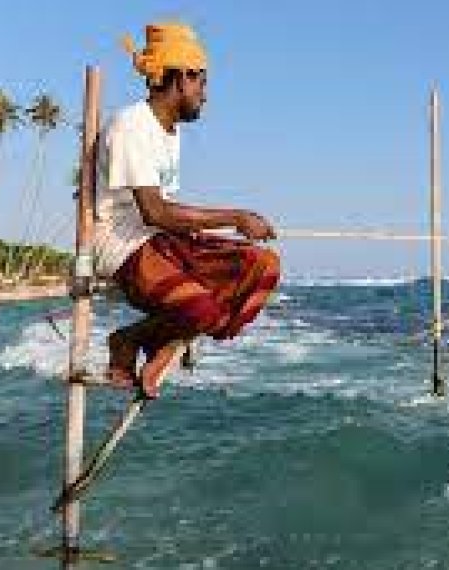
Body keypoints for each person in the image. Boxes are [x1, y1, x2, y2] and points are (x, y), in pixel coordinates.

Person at [94, 22, 280, 398]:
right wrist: (234, 218)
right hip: (123, 250)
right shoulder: (131, 125)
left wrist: (208, 242)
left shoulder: (169, 133)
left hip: (160, 242)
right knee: (205, 309)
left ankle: (167, 343)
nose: (205, 95)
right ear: (180, 79)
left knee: (261, 266)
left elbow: (166, 216)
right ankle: (128, 341)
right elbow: (155, 212)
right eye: (202, 83)